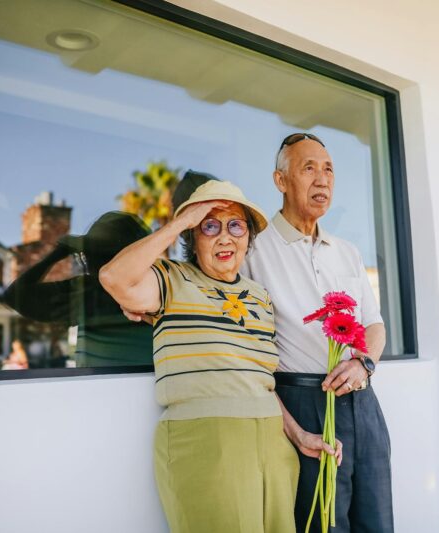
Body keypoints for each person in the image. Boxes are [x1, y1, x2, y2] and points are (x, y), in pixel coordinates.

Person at [99, 177, 340, 532]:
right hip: (206, 444)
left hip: (273, 446)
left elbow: (262, 384)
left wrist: (298, 435)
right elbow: (114, 277)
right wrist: (181, 221)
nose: (225, 236)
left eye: (236, 226)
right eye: (209, 226)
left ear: (248, 238)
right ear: (193, 240)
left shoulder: (259, 296)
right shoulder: (171, 279)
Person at [240, 133, 394, 533]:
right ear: (280, 181)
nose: (322, 179)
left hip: (364, 401)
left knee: (378, 522)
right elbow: (246, 354)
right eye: (309, 168)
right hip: (303, 403)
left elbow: (374, 325)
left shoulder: (347, 251)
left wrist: (365, 362)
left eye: (328, 169)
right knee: (321, 524)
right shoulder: (254, 251)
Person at [2, 212, 153, 368]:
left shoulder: (87, 292)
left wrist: (57, 255)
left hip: (96, 386)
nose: (87, 261)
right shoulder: (161, 287)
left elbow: (15, 296)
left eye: (89, 254)